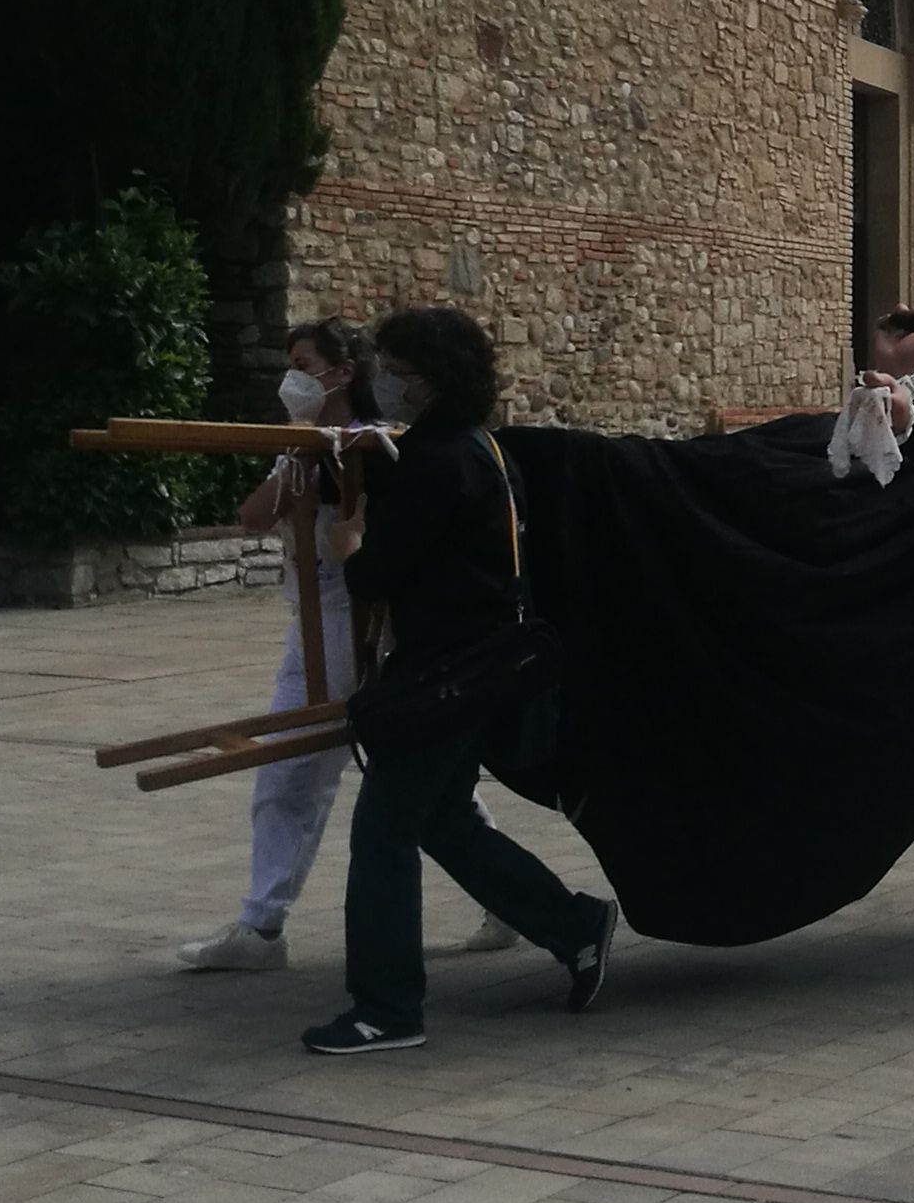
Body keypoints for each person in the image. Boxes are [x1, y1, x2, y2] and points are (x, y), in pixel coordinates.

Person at [298, 306, 620, 1056]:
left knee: (382, 836)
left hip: (443, 674)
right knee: (441, 820)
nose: (389, 385)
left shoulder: (440, 463)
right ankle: (572, 925)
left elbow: (382, 569)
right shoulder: (484, 452)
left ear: (434, 382)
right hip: (480, 667)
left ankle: (386, 1008)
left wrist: (349, 545)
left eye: (399, 373)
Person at [180, 321, 521, 974]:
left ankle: (263, 925)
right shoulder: (309, 445)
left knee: (383, 775)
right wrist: (305, 453)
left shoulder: (378, 445)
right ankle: (262, 926)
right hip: (310, 622)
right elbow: (253, 515)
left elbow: (390, 525)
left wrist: (333, 457)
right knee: (363, 774)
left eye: (305, 363)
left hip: (355, 625)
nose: (294, 376)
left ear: (340, 372)